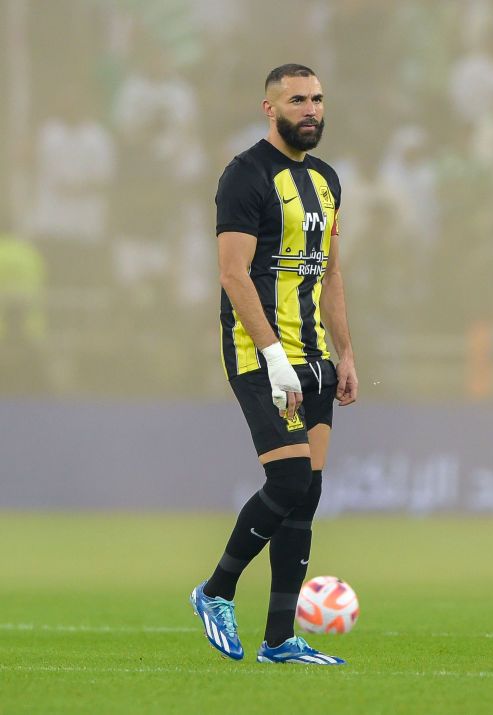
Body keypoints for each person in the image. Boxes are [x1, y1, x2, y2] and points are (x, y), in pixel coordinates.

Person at [189, 64, 357, 666]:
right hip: (261, 353)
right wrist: (273, 358)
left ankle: (280, 638)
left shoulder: (328, 180)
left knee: (306, 493)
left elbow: (330, 272)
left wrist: (346, 354)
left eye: (316, 99)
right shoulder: (245, 175)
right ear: (270, 108)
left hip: (314, 356)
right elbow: (233, 273)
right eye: (297, 100)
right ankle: (215, 592)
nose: (310, 109)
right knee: (286, 481)